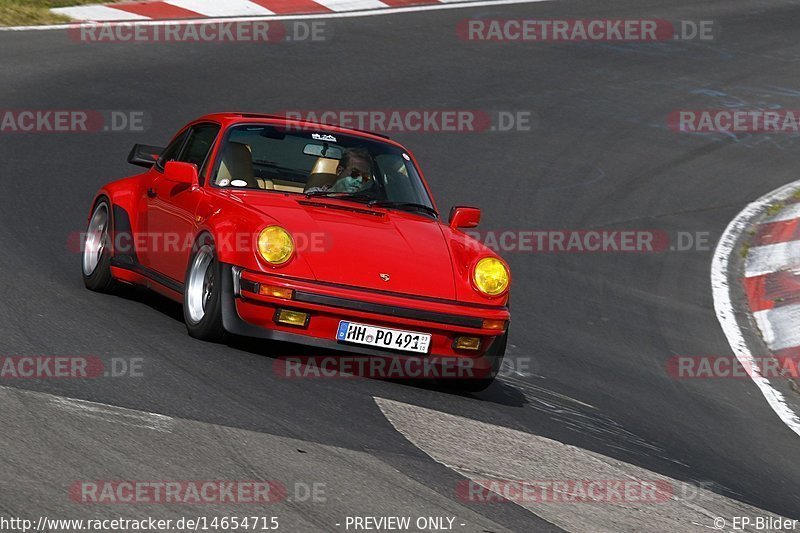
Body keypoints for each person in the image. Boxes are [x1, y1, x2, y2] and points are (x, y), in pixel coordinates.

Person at [306, 147, 374, 194]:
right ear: (339, 171)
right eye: (355, 173)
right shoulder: (313, 195)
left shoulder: (365, 205)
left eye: (365, 177)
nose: (360, 180)